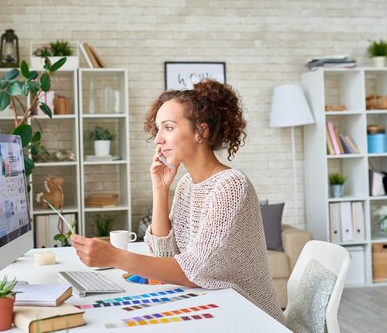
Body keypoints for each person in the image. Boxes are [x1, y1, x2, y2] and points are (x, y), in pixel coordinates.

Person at [70, 79, 284, 323]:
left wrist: (114, 257)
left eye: (168, 127)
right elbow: (164, 257)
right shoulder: (186, 185)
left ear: (201, 132)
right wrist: (160, 189)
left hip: (251, 316)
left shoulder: (231, 185)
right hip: (216, 307)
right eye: (158, 129)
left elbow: (193, 272)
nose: (158, 139)